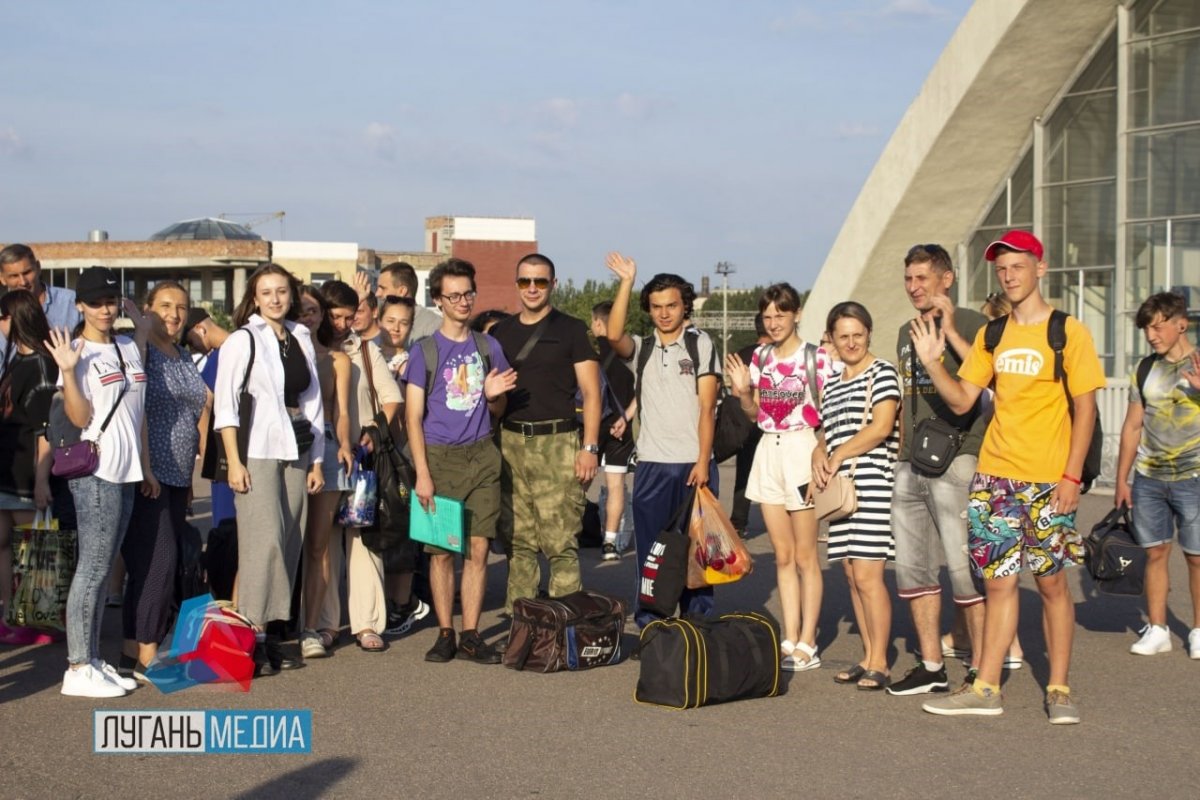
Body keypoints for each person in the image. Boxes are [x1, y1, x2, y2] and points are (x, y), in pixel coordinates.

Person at [913, 230, 1104, 724]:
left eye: (1018, 266)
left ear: (1040, 268)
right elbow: (961, 401)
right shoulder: (992, 336)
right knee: (997, 585)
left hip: (1048, 480)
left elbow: (1085, 410)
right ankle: (987, 687)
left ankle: (1059, 688)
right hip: (995, 479)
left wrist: (1071, 477)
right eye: (1001, 269)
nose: (1009, 275)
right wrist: (934, 363)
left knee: (1051, 584)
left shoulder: (1069, 332)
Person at [887, 244, 989, 697]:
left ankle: (980, 671)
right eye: (909, 279)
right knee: (914, 570)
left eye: (923, 278)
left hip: (960, 457)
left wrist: (948, 333)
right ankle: (931, 666)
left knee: (965, 569)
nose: (914, 287)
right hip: (912, 462)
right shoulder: (905, 332)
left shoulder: (974, 325)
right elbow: (910, 399)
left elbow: (983, 386)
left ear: (947, 279)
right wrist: (901, 451)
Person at [215, 263, 324, 676]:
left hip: (296, 450)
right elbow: (225, 405)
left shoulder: (299, 336)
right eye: (267, 292)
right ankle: (252, 638)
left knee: (291, 541)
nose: (275, 299)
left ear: (291, 295)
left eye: (282, 291)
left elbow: (313, 402)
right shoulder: (243, 339)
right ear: (255, 298)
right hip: (256, 452)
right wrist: (235, 462)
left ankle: (273, 633)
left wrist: (316, 460)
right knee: (264, 546)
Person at [406, 258, 516, 663]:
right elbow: (411, 417)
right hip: (439, 457)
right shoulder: (425, 352)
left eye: (468, 292)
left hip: (483, 454)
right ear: (438, 300)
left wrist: (493, 396)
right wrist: (422, 472)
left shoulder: (490, 347)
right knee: (440, 552)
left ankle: (470, 634)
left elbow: (500, 409)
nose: (463, 301)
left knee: (479, 548)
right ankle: (445, 631)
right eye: (453, 295)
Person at [604, 252, 721, 627]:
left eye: (671, 305)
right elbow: (613, 335)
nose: (664, 313)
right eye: (656, 307)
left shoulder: (700, 343)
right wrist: (626, 282)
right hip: (653, 464)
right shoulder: (643, 348)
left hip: (694, 466)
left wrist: (703, 460)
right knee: (653, 553)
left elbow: (707, 409)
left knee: (697, 552)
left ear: (684, 305)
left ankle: (696, 623)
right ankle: (651, 623)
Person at [46, 267, 147, 698]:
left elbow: (137, 407)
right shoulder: (77, 350)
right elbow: (80, 418)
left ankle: (91, 659)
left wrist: (147, 468)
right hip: (96, 472)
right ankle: (77, 666)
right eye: (96, 302)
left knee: (104, 571)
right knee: (91, 569)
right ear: (81, 306)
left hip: (127, 472)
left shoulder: (127, 345)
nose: (105, 309)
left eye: (111, 301)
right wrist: (68, 371)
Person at [726, 284, 833, 672]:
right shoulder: (761, 357)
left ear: (797, 314)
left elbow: (830, 414)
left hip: (803, 450)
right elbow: (755, 414)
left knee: (806, 556)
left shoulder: (817, 358)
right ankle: (789, 636)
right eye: (768, 317)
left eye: (780, 316)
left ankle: (810, 639)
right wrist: (742, 393)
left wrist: (822, 449)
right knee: (783, 555)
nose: (774, 323)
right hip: (768, 450)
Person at [491, 254, 601, 607]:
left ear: (553, 284)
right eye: (525, 281)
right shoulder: (501, 333)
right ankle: (521, 622)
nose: (533, 288)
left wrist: (590, 447)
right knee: (518, 539)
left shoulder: (571, 329)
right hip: (511, 441)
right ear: (517, 283)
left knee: (559, 540)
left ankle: (566, 621)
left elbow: (592, 393)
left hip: (558, 443)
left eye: (540, 281)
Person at [117, 282, 210, 681]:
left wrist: (188, 476)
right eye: (165, 306)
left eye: (182, 308)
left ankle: (129, 650)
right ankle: (149, 653)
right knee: (158, 561)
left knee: (152, 564)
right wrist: (148, 466)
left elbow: (193, 415)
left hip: (176, 475)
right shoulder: (141, 350)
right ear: (147, 309)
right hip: (147, 473)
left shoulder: (183, 354)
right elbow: (132, 400)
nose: (174, 314)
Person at [812, 302, 901, 691]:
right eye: (843, 336)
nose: (851, 342)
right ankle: (867, 655)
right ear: (832, 338)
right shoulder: (832, 382)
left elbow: (881, 428)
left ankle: (880, 661)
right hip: (840, 488)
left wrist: (836, 453)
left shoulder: (881, 373)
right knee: (850, 574)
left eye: (857, 335)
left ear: (868, 333)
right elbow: (823, 431)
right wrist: (820, 453)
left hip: (872, 484)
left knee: (868, 574)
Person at [316, 280, 403, 653]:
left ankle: (367, 622)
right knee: (323, 543)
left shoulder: (366, 350)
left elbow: (391, 399)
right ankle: (324, 623)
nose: (342, 324)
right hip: (321, 455)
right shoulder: (310, 349)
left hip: (362, 459)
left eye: (349, 317)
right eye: (335, 316)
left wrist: (372, 431)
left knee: (363, 539)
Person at [1115, 292, 1200, 660]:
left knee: (1197, 557)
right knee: (1155, 553)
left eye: (1158, 324)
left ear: (1182, 322)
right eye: (1147, 327)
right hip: (1149, 477)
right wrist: (1122, 479)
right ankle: (1159, 628)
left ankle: (1198, 631)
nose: (1152, 334)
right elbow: (1133, 426)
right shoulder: (1145, 368)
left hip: (1194, 476)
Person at [296, 286, 353, 659]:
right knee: (279, 542)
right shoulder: (272, 350)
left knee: (318, 544)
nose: (308, 316)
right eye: (301, 309)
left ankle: (310, 628)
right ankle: (265, 625)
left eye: (314, 309)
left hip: (328, 446)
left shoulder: (337, 359)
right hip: (283, 447)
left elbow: (342, 410)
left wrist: (346, 444)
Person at [0, 291, 58, 646]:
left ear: (15, 318)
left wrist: (40, 480)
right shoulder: (16, 358)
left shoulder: (39, 363)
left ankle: (40, 621)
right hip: (6, 469)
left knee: (35, 545)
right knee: (6, 545)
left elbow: (45, 430)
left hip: (25, 473)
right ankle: (11, 614)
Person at [590, 301, 636, 561]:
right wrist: (626, 417)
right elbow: (643, 389)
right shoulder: (630, 353)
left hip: (593, 427)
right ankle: (610, 543)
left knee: (580, 482)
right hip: (622, 427)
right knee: (616, 485)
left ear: (598, 322)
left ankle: (568, 536)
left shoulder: (588, 351)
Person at [185, 308, 236, 526]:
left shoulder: (225, 353)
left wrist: (208, 456)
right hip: (230, 449)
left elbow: (207, 405)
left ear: (200, 329)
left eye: (192, 341)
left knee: (226, 526)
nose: (192, 347)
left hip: (223, 452)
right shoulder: (230, 349)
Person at [730, 313, 771, 537]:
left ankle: (738, 522)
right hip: (775, 422)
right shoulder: (779, 355)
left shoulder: (743, 354)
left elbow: (736, 392)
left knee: (744, 473)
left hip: (748, 423)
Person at [0, 244, 81, 351]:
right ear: (2, 279)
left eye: (27, 272)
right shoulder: (2, 315)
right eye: (14, 276)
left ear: (38, 267)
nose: (23, 282)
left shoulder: (72, 302)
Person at [377, 261, 441, 342]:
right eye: (391, 321)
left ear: (402, 291)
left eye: (383, 288)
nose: (377, 294)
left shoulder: (433, 326)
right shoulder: (378, 319)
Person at [378, 294, 416, 380]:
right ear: (379, 322)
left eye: (404, 323)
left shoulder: (411, 366)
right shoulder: (369, 354)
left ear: (410, 327)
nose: (396, 328)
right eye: (391, 321)